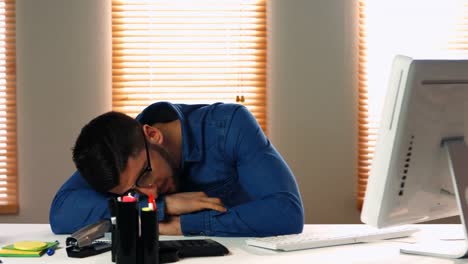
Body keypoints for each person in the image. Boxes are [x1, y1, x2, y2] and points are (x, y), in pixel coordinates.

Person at [50, 101, 304, 237]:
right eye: (133, 191)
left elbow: (287, 213)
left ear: (152, 135)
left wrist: (181, 224)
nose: (149, 192)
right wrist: (163, 208)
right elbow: (61, 214)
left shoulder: (230, 126)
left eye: (145, 176)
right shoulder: (114, 154)